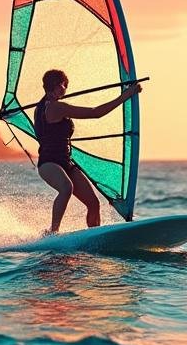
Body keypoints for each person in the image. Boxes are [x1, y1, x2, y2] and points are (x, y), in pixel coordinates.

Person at [34, 69, 142, 233]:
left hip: (66, 162)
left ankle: (95, 235)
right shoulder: (57, 107)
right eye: (64, 85)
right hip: (48, 163)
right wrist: (127, 95)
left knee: (93, 202)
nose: (66, 89)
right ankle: (52, 232)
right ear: (57, 86)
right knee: (66, 188)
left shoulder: (43, 106)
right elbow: (95, 113)